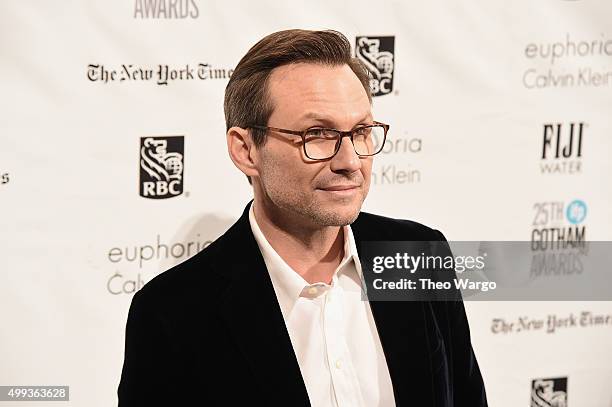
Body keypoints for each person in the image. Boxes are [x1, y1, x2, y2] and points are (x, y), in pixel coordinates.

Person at [118, 29, 488, 407]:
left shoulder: (416, 254)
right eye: (318, 134)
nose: (350, 162)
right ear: (246, 150)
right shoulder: (172, 313)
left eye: (361, 131)